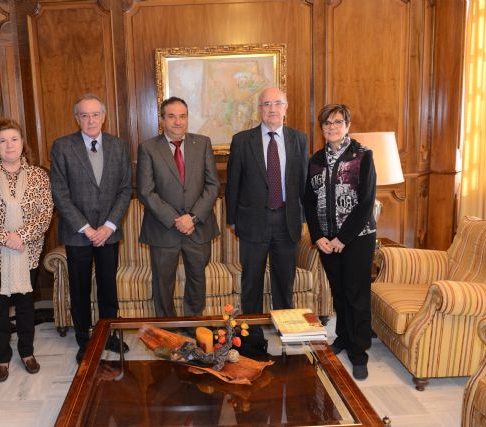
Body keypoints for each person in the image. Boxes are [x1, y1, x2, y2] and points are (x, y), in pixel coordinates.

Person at [0, 118, 53, 382]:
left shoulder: (39, 175)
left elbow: (46, 213)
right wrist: (6, 237)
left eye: (14, 139)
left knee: (26, 306)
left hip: (27, 252)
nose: (9, 145)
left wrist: (22, 237)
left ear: (22, 142)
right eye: (2, 140)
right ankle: (2, 358)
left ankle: (26, 352)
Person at [50, 94, 132, 363]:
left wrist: (108, 226)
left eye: (95, 114)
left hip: (109, 233)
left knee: (109, 287)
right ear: (77, 119)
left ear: (103, 116)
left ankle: (111, 334)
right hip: (78, 234)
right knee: (80, 288)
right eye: (84, 115)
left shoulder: (118, 146)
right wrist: (86, 228)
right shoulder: (62, 147)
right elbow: (60, 194)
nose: (90, 120)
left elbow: (124, 189)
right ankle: (84, 340)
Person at [303, 103, 377, 380]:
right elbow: (309, 201)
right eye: (327, 123)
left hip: (357, 239)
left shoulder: (362, 155)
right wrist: (319, 237)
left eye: (337, 122)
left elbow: (366, 202)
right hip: (326, 241)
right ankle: (344, 338)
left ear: (347, 125)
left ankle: (359, 352)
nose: (332, 127)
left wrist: (343, 239)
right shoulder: (316, 160)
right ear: (321, 129)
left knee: (357, 294)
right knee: (339, 291)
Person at [225, 87, 308, 314]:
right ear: (260, 109)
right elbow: (233, 183)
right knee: (251, 281)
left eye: (278, 103)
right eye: (267, 104)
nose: (273, 109)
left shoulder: (299, 139)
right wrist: (232, 219)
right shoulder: (242, 141)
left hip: (287, 220)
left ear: (286, 108)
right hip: (252, 221)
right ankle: (252, 337)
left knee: (284, 283)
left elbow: (303, 182)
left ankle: (285, 332)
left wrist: (303, 218)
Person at [137, 96, 220, 317]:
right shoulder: (148, 148)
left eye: (182, 116)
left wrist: (192, 218)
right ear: (162, 119)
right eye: (171, 116)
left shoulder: (202, 143)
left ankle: (194, 326)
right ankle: (167, 331)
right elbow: (145, 191)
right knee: (163, 283)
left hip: (198, 227)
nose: (177, 122)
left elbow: (213, 185)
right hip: (163, 228)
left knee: (197, 280)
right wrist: (176, 219)